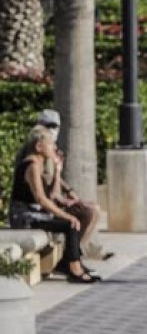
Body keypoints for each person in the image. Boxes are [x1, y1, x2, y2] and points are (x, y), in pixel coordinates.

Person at [8, 126, 97, 284]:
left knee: (78, 217)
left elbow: (53, 195)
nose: (55, 148)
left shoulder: (39, 163)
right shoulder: (32, 165)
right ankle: (74, 269)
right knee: (70, 224)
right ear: (39, 146)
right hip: (24, 217)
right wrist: (67, 216)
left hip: (35, 213)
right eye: (51, 144)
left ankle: (68, 262)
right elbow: (41, 199)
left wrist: (57, 170)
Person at [20, 110, 109, 261]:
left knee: (94, 209)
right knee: (81, 215)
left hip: (48, 201)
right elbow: (43, 195)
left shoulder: (49, 150)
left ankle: (77, 252)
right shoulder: (33, 157)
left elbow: (54, 183)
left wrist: (65, 185)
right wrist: (65, 210)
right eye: (48, 126)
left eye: (55, 126)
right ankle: (73, 257)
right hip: (36, 209)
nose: (52, 131)